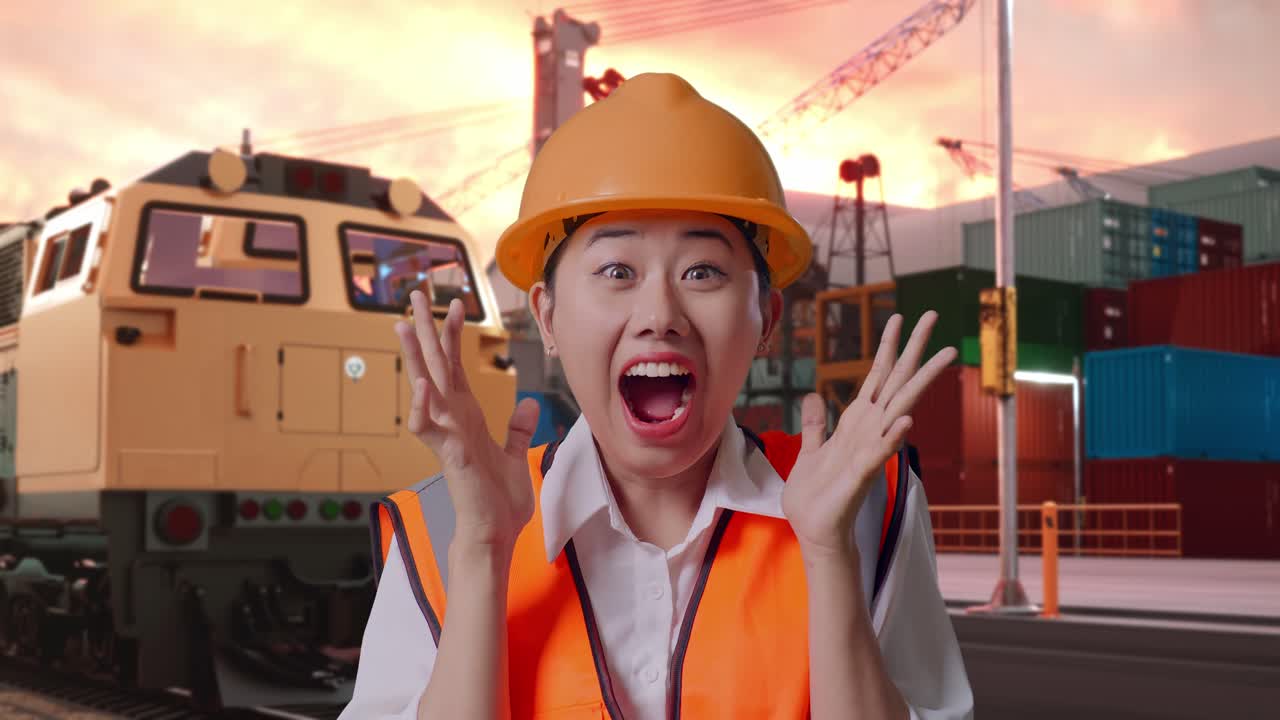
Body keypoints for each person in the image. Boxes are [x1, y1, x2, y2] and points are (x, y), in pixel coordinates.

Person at [340, 72, 972, 720]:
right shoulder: (448, 524)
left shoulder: (866, 508)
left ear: (767, 320)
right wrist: (480, 551)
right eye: (617, 271)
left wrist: (830, 556)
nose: (659, 313)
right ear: (548, 317)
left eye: (703, 271)